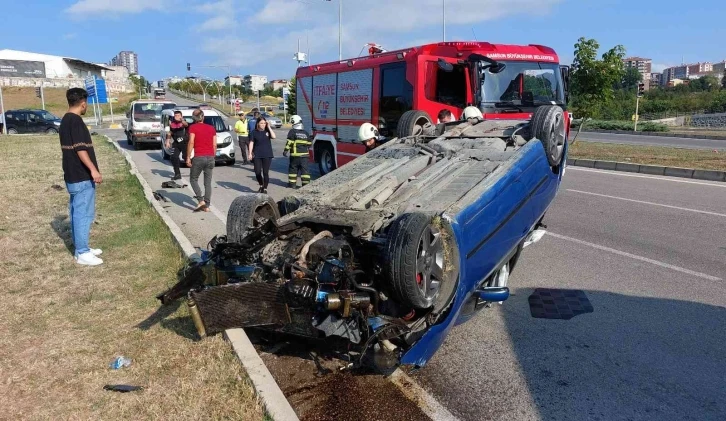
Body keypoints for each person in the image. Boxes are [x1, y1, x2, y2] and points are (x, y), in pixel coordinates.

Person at [59, 88, 104, 266]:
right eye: (87, 104)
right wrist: (93, 170)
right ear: (83, 103)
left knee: (76, 212)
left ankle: (81, 247)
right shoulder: (76, 121)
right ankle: (83, 252)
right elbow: (80, 148)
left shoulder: (65, 120)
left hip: (71, 174)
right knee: (83, 214)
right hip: (81, 175)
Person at [186, 108, 216, 212]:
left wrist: (188, 157)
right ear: (203, 117)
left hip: (199, 157)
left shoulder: (193, 127)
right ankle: (207, 205)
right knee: (207, 182)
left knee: (193, 179)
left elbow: (191, 142)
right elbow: (214, 144)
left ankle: (201, 200)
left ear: (194, 118)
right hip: (210, 157)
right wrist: (213, 155)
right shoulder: (211, 128)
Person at [248, 116, 276, 193]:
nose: (263, 125)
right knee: (257, 172)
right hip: (257, 154)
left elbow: (274, 136)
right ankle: (261, 185)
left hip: (267, 154)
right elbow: (251, 143)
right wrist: (250, 153)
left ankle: (265, 188)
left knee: (265, 172)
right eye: (261, 123)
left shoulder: (267, 131)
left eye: (264, 123)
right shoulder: (254, 132)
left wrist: (269, 127)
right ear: (258, 124)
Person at [283, 115, 312, 188]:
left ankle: (292, 184)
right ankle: (306, 185)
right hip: (305, 156)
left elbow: (289, 142)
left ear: (294, 122)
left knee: (293, 170)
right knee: (305, 170)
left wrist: (285, 151)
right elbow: (309, 144)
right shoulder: (305, 133)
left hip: (295, 156)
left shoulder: (292, 132)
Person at [165, 110, 189, 180]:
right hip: (176, 143)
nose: (176, 117)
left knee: (186, 158)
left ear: (181, 116)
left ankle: (195, 171)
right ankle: (177, 174)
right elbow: (169, 133)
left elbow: (186, 125)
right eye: (175, 116)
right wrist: (167, 141)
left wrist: (181, 120)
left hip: (184, 143)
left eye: (178, 115)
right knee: (173, 157)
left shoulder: (183, 123)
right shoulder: (172, 123)